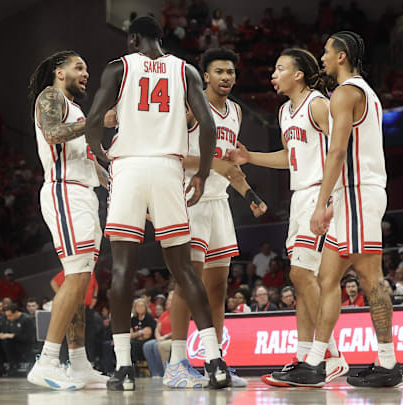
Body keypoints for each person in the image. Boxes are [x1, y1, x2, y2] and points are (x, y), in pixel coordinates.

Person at [84, 16, 230, 390]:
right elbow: (209, 126)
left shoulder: (119, 66)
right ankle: (214, 362)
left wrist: (101, 151)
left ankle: (123, 370)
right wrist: (202, 174)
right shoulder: (186, 71)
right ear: (162, 37)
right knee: (183, 270)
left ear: (132, 38)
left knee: (121, 270)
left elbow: (95, 117)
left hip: (129, 167)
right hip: (168, 168)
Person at [276, 31, 402, 388]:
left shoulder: (347, 93)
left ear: (342, 56)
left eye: (327, 53)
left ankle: (388, 362)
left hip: (359, 193)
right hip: (353, 196)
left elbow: (336, 151)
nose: (323, 58)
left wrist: (321, 203)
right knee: (326, 280)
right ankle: (318, 360)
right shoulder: (364, 93)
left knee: (370, 279)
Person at [228, 47, 349, 386]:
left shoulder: (318, 104)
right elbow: (289, 157)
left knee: (302, 273)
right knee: (300, 277)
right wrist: (250, 156)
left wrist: (329, 199)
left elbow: (342, 149)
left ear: (298, 74)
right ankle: (303, 354)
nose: (273, 74)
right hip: (300, 195)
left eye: (280, 68)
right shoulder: (284, 112)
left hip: (321, 194)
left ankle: (332, 355)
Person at [168, 47, 265, 388]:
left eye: (230, 72)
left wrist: (249, 194)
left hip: (219, 202)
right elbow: (175, 155)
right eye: (219, 72)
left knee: (217, 288)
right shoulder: (192, 106)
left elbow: (230, 163)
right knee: (186, 283)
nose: (226, 77)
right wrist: (214, 166)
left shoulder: (236, 111)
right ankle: (176, 363)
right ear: (205, 76)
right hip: (190, 199)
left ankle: (216, 361)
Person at [24, 49, 112, 391]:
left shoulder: (75, 107)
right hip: (64, 191)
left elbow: (90, 161)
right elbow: (52, 133)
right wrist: (97, 121)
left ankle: (78, 363)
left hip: (84, 194)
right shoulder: (51, 96)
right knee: (75, 277)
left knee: (81, 282)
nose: (85, 73)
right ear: (60, 73)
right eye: (79, 67)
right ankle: (46, 361)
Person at [0, 303, 36, 377]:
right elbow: (8, 332)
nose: (8, 318)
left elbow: (29, 337)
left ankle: (13, 366)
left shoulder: (27, 319)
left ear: (16, 312)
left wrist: (13, 336)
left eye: (10, 315)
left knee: (7, 342)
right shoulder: (9, 320)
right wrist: (2, 335)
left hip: (25, 344)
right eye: (7, 316)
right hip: (14, 343)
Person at [142, 291, 174, 377]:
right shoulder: (164, 314)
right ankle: (155, 373)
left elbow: (178, 329)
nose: (167, 302)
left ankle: (163, 372)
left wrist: (165, 337)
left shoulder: (178, 313)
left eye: (170, 300)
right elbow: (157, 328)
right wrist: (158, 336)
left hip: (172, 338)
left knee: (157, 346)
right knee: (147, 345)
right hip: (161, 338)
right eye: (167, 300)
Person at [129, 298, 156, 365]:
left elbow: (147, 334)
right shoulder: (133, 319)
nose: (140, 308)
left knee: (136, 344)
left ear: (146, 307)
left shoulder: (149, 318)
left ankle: (138, 365)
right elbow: (131, 335)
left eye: (142, 306)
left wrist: (136, 334)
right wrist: (141, 332)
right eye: (138, 306)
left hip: (148, 340)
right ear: (135, 308)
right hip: (136, 340)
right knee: (129, 344)